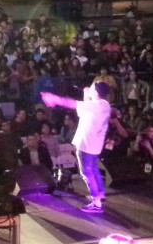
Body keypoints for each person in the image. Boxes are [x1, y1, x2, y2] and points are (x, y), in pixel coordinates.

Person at [42, 81, 112, 213]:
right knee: (93, 168)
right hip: (96, 144)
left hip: (85, 144)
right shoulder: (105, 105)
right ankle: (100, 195)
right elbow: (83, 112)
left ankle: (96, 202)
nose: (88, 88)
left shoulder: (93, 106)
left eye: (91, 87)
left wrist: (52, 98)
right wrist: (87, 96)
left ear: (96, 92)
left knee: (86, 172)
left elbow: (69, 103)